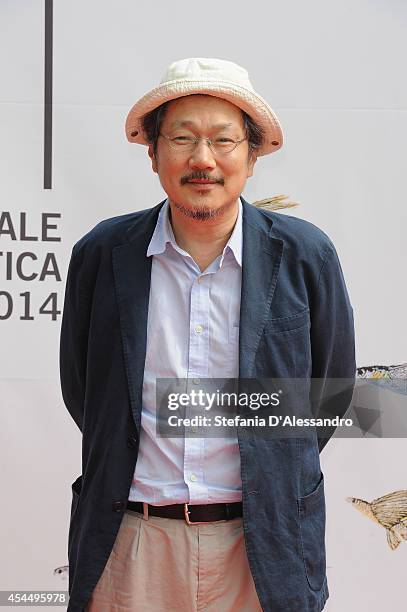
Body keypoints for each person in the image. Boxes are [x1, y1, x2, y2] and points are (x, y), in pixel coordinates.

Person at [60, 57, 356, 612]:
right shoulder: (103, 254)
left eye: (223, 140)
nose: (203, 160)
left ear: (251, 155)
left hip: (264, 543)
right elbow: (84, 391)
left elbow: (330, 395)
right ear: (152, 153)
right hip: (132, 541)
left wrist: (265, 461)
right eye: (182, 138)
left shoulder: (304, 254)